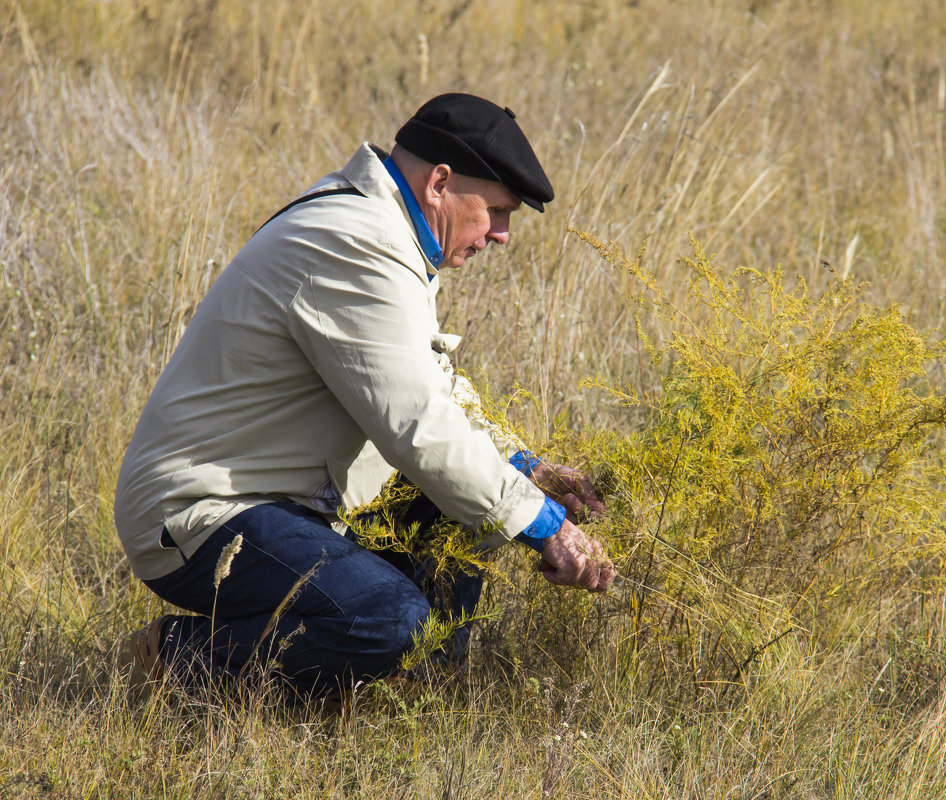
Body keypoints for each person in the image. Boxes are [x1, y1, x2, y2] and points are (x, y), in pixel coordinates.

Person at [114, 93, 615, 699]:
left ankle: (421, 687)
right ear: (440, 182)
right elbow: (419, 424)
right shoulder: (353, 242)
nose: (503, 235)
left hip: (284, 500)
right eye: (497, 210)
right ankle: (176, 657)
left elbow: (430, 386)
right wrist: (547, 526)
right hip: (204, 510)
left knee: (459, 516)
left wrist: (523, 467)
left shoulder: (386, 233)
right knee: (390, 622)